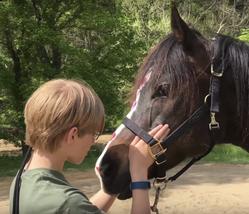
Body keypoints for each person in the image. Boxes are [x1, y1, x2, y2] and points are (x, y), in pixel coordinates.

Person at [9, 79, 170, 214]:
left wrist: (118, 180)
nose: (93, 141)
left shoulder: (22, 181)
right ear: (72, 135)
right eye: (94, 134)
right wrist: (139, 173)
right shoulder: (67, 203)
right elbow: (72, 207)